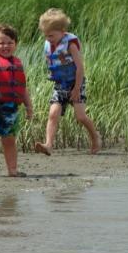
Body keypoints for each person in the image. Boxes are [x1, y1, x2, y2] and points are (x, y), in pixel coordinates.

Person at [33, 8, 101, 156]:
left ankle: (95, 138)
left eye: (51, 35)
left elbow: (80, 68)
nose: (48, 38)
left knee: (80, 117)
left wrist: (76, 88)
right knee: (53, 114)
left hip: (76, 83)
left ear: (62, 31)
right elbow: (50, 60)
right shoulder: (48, 44)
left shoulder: (70, 44)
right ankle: (48, 145)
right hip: (60, 84)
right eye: (46, 35)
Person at [0, 19, 33, 177]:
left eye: (10, 43)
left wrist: (29, 107)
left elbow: (22, 88)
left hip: (11, 108)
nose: (6, 46)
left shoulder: (17, 63)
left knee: (9, 140)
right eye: (1, 43)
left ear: (15, 44)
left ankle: (12, 169)